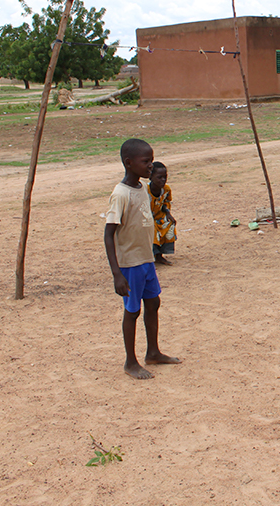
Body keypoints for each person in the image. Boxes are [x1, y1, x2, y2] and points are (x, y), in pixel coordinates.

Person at [104, 138, 180, 380]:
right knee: (132, 310)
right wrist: (117, 274)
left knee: (153, 303)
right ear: (129, 163)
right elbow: (108, 235)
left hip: (146, 260)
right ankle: (130, 362)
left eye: (151, 160)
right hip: (130, 264)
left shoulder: (143, 190)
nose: (150, 166)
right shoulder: (120, 194)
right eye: (145, 161)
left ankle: (153, 352)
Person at [148, 161, 176, 265]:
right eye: (159, 177)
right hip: (145, 217)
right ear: (150, 177)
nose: (163, 180)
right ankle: (151, 256)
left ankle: (160, 255)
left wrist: (168, 214)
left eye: (165, 177)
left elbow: (165, 202)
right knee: (152, 229)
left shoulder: (166, 189)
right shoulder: (145, 190)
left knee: (168, 224)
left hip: (157, 215)